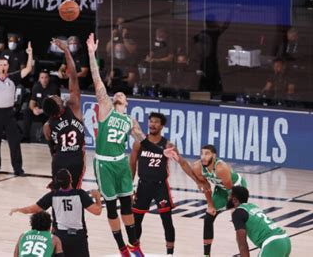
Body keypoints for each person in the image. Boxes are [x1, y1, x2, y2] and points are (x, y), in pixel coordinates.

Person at [86, 32, 174, 256]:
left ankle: (135, 245)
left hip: (121, 164)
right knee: (112, 207)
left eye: (122, 94)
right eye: (117, 93)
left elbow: (144, 142)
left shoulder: (130, 121)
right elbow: (97, 80)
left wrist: (163, 152)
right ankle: (121, 247)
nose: (119, 94)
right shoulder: (105, 108)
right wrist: (90, 53)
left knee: (127, 206)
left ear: (127, 102)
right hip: (104, 163)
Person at [129, 112, 207, 256]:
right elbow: (132, 164)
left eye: (156, 122)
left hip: (160, 187)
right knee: (136, 221)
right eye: (151, 121)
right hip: (143, 186)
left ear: (162, 126)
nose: (152, 124)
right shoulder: (139, 143)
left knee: (167, 221)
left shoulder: (168, 145)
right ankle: (135, 252)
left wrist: (197, 181)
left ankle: (170, 254)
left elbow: (182, 163)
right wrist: (128, 187)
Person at [10, 169, 102, 257]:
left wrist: (18, 209)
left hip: (60, 237)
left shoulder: (52, 195)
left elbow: (31, 209)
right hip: (78, 237)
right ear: (70, 179)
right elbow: (97, 211)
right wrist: (97, 197)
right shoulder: (80, 194)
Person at [0, 42, 33, 176]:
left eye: (5, 64)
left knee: (14, 141)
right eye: (1, 64)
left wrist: (30, 53)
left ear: (8, 66)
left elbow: (27, 69)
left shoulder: (13, 78)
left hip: (9, 113)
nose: (3, 67)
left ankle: (17, 168)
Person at [42, 39, 85, 190]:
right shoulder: (73, 106)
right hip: (76, 159)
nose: (58, 96)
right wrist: (66, 51)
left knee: (57, 193)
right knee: (75, 191)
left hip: (58, 161)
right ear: (59, 106)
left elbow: (52, 149)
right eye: (56, 98)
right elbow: (73, 76)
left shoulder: (47, 126)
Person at [192, 144, 247, 257]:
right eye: (202, 153)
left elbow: (231, 191)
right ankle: (207, 255)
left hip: (236, 188)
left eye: (207, 154)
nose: (203, 156)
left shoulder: (221, 168)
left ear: (214, 156)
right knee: (208, 218)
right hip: (221, 188)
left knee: (239, 220)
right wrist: (210, 205)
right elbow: (206, 188)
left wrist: (234, 207)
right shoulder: (197, 167)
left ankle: (244, 252)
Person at [228, 186, 291, 257]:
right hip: (285, 240)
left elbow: (243, 245)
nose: (227, 198)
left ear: (234, 200)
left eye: (229, 196)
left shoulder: (238, 213)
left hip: (272, 242)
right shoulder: (252, 206)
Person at [194, 13, 232, 95]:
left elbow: (192, 41)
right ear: (211, 22)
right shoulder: (213, 33)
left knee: (204, 84)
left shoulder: (202, 33)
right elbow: (224, 27)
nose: (216, 22)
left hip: (205, 64)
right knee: (213, 86)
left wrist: (196, 54)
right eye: (214, 21)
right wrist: (230, 14)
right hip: (211, 65)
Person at [22, 70, 60, 142]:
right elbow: (32, 101)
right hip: (39, 112)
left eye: (46, 77)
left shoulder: (54, 88)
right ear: (39, 79)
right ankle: (26, 137)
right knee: (27, 112)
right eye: (42, 78)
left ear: (49, 78)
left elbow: (55, 105)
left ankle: (50, 139)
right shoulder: (36, 87)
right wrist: (33, 109)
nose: (44, 80)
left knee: (53, 114)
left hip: (49, 112)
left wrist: (42, 110)